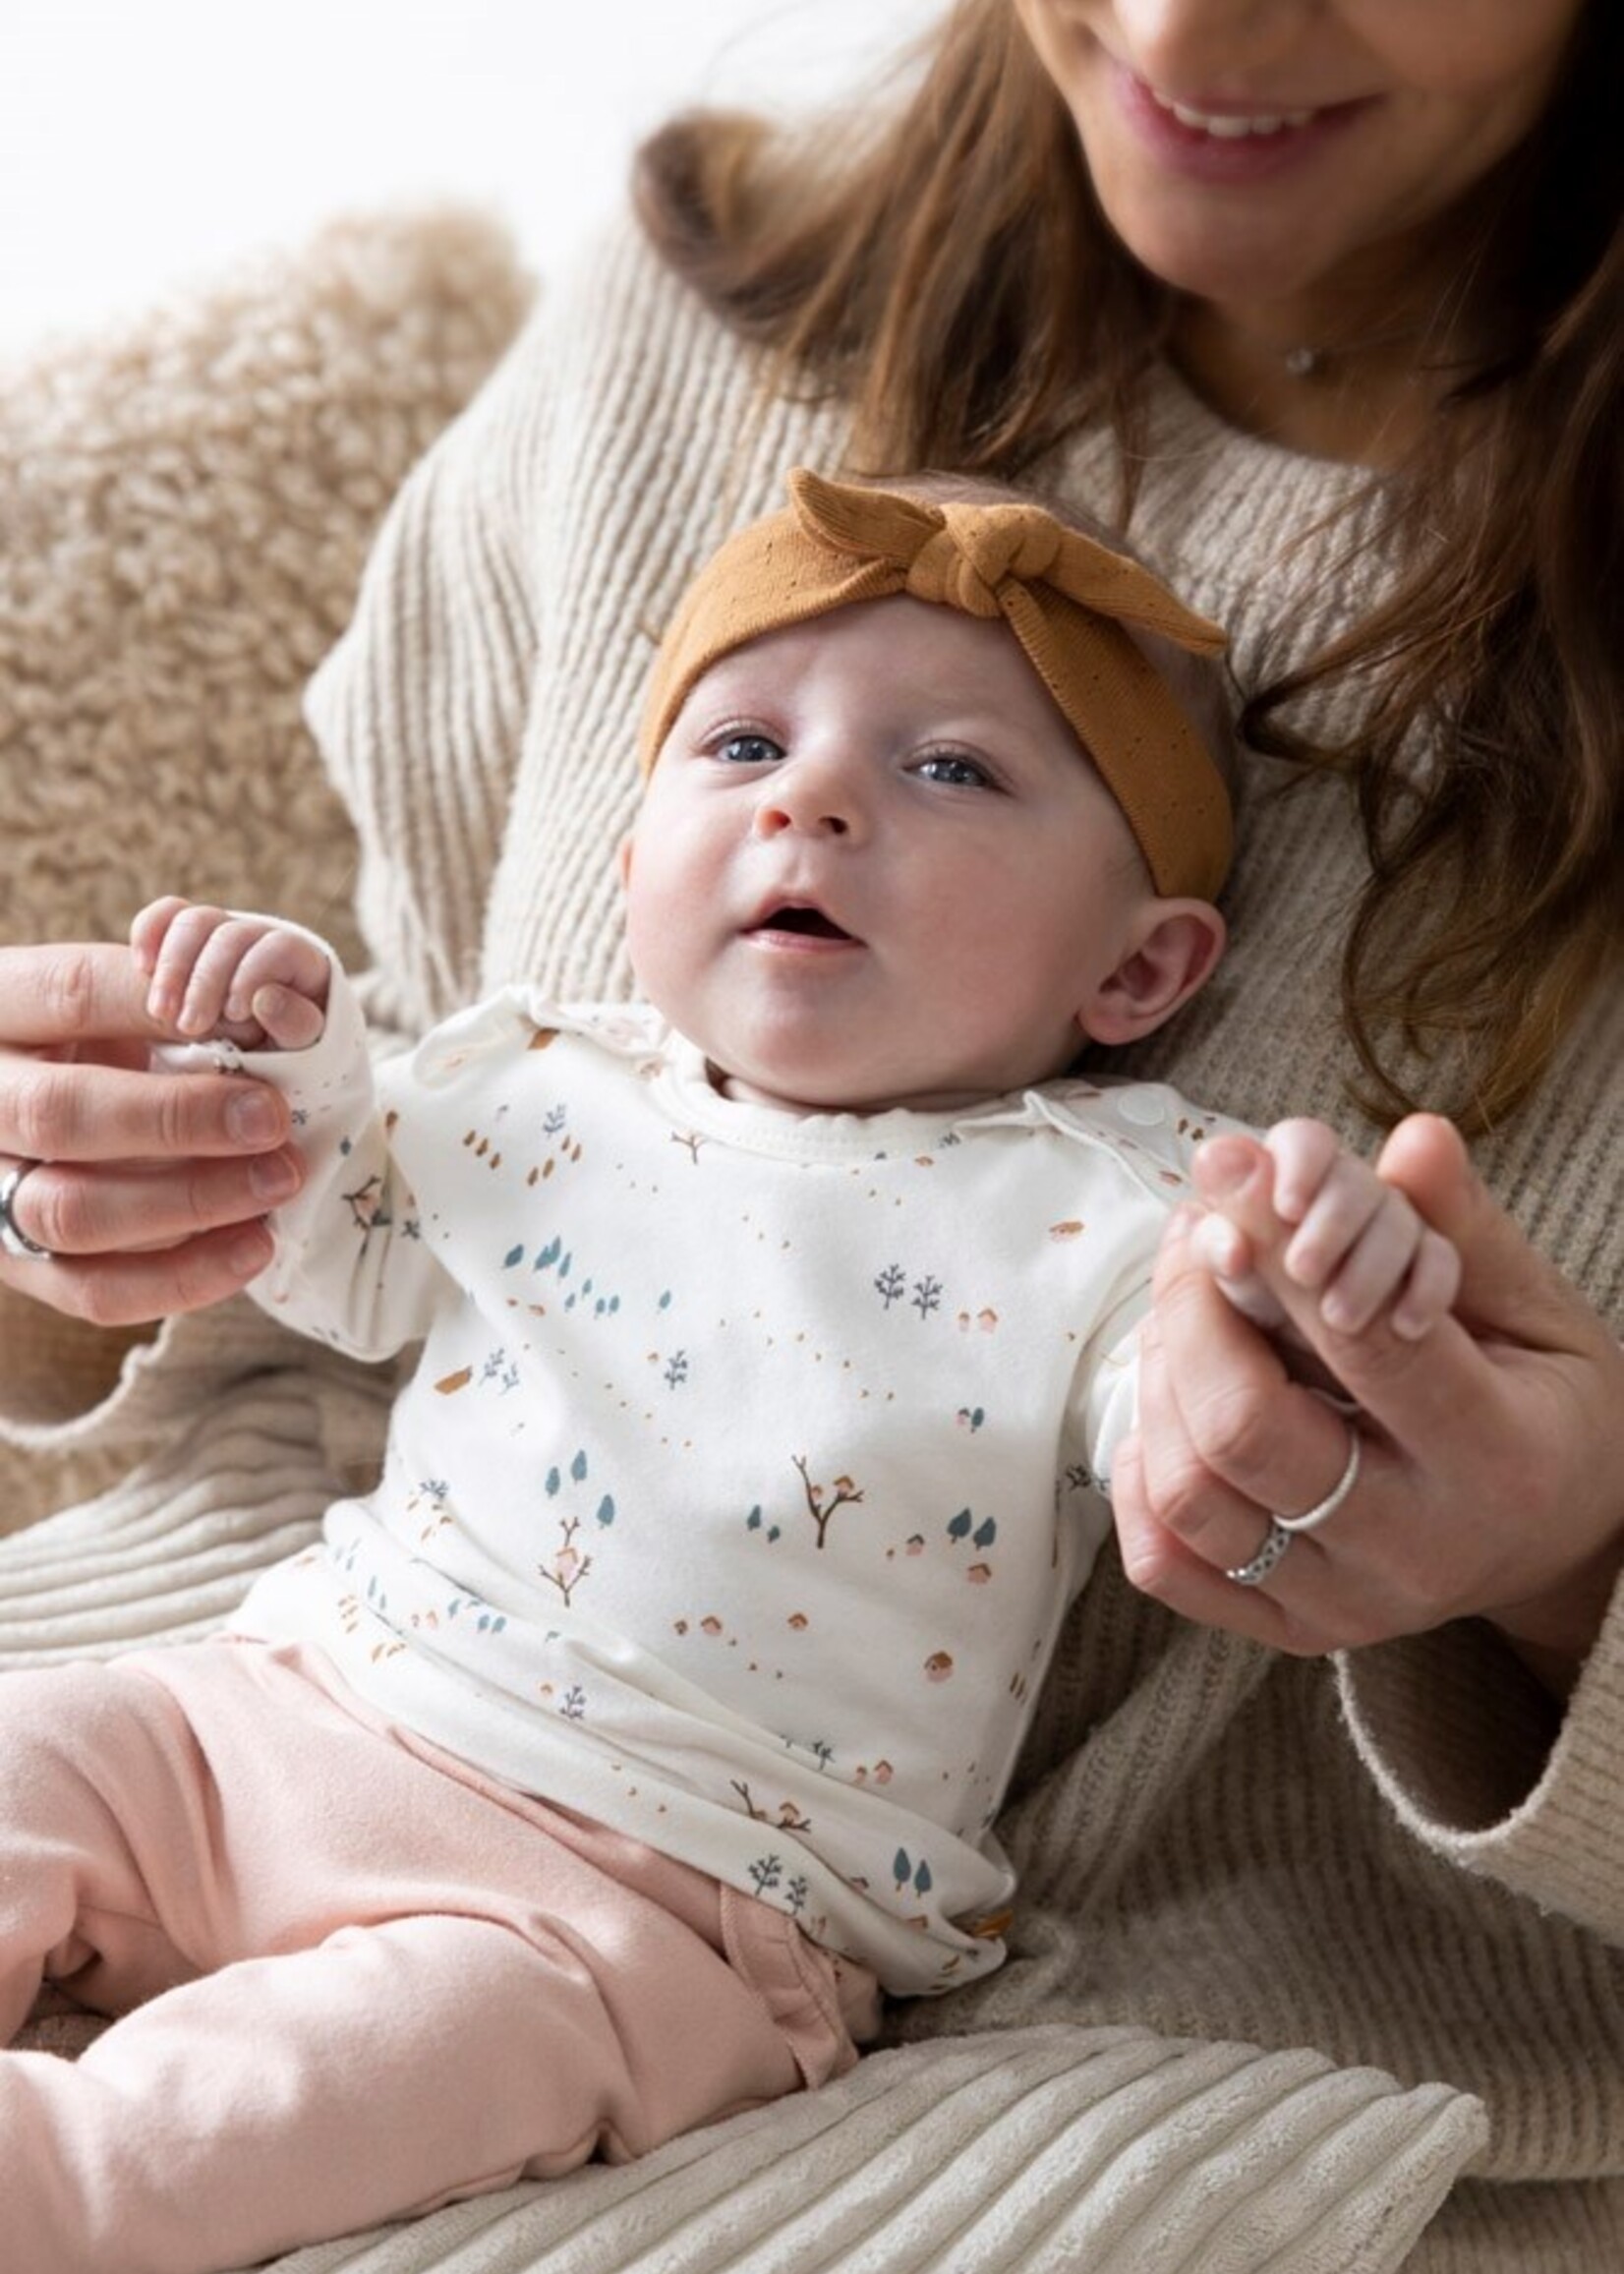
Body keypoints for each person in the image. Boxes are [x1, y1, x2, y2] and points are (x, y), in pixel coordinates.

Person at [0, 2, 1620, 2263]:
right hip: (276, 1693)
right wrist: (238, 1068)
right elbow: (320, 1234)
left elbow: (1223, 1415)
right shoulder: (531, 1077)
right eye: (742, 743)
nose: (818, 797)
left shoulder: (1106, 1213)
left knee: (226, 2120)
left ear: (1143, 976)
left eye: (953, 771)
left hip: (647, 1903)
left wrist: (1347, 1301)